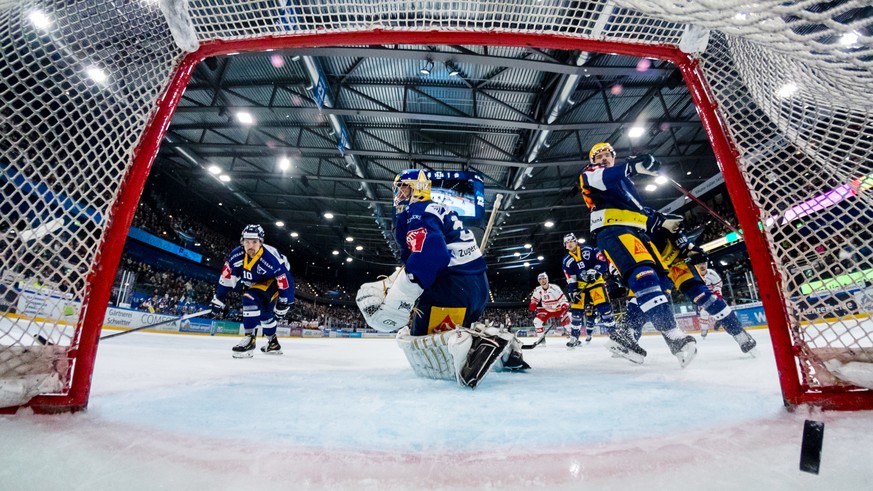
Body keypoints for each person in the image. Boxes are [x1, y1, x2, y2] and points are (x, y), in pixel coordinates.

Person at [356, 169, 529, 388]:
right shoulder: (435, 210)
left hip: (452, 287)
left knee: (423, 344)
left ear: (417, 188)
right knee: (445, 329)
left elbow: (433, 255)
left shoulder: (419, 211)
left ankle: (468, 348)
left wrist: (402, 292)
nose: (399, 193)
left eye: (404, 187)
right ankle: (505, 352)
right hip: (474, 285)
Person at [579, 142, 697, 367]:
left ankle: (626, 335)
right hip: (614, 230)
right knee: (645, 276)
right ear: (593, 160)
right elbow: (605, 178)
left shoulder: (625, 183)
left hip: (638, 233)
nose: (604, 157)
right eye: (599, 155)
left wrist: (662, 220)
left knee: (662, 283)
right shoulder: (591, 174)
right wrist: (632, 166)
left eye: (608, 154)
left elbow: (640, 212)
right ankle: (674, 337)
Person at [210, 224, 297, 358]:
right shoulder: (236, 255)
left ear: (261, 242)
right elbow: (226, 278)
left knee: (250, 297)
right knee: (265, 315)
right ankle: (273, 343)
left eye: (254, 242)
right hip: (254, 282)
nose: (250, 245)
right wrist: (219, 299)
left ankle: (249, 339)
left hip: (272, 282)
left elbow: (286, 281)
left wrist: (285, 302)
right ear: (242, 241)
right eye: (247, 241)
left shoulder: (271, 259)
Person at [561, 234, 615, 347]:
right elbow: (570, 278)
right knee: (576, 313)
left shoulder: (589, 250)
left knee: (604, 308)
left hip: (596, 283)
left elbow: (603, 261)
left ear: (576, 242)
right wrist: (574, 291)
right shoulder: (566, 261)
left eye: (571, 241)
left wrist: (596, 271)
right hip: (581, 287)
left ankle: (614, 335)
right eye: (567, 242)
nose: (569, 244)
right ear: (565, 245)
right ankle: (574, 337)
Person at [527, 272, 570, 347]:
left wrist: (564, 305)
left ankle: (573, 337)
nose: (542, 280)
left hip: (558, 309)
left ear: (547, 279)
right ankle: (541, 340)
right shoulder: (538, 290)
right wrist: (533, 304)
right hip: (546, 309)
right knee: (536, 321)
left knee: (567, 322)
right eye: (540, 279)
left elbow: (563, 299)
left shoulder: (554, 288)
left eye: (544, 278)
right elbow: (534, 299)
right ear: (539, 281)